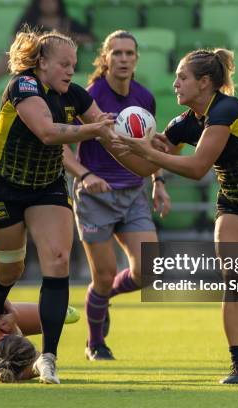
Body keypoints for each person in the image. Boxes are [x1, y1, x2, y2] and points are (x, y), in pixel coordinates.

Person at [113, 49, 238, 384]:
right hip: (235, 205)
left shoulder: (226, 111)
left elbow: (198, 167)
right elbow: (148, 165)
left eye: (182, 77)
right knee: (235, 282)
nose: (174, 84)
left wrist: (147, 153)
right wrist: (111, 141)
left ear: (204, 83)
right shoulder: (184, 124)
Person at [0, 28, 117, 384]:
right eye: (64, 64)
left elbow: (106, 132)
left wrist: (144, 149)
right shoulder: (23, 86)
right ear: (41, 63)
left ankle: (48, 358)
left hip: (46, 186)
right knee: (10, 269)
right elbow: (48, 132)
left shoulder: (75, 95)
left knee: (56, 258)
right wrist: (96, 131)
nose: (71, 70)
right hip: (1, 187)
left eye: (74, 64)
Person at [62, 30, 170, 360]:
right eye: (117, 53)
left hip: (133, 191)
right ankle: (96, 344)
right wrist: (86, 174)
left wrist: (158, 181)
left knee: (148, 271)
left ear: (136, 59)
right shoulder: (89, 95)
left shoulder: (145, 97)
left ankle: (104, 297)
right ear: (105, 58)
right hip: (95, 195)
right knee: (103, 276)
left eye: (129, 53)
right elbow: (59, 143)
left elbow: (149, 146)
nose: (123, 59)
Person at [0, 278, 80, 382]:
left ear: (0, 335)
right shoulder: (11, 370)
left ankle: (48, 314)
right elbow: (37, 359)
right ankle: (52, 314)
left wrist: (12, 312)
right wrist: (16, 329)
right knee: (53, 317)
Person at [0, 0, 94, 96]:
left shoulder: (67, 22)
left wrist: (68, 35)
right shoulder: (30, 20)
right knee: (10, 54)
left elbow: (90, 38)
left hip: (59, 62)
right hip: (35, 60)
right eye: (44, 1)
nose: (48, 3)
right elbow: (15, 41)